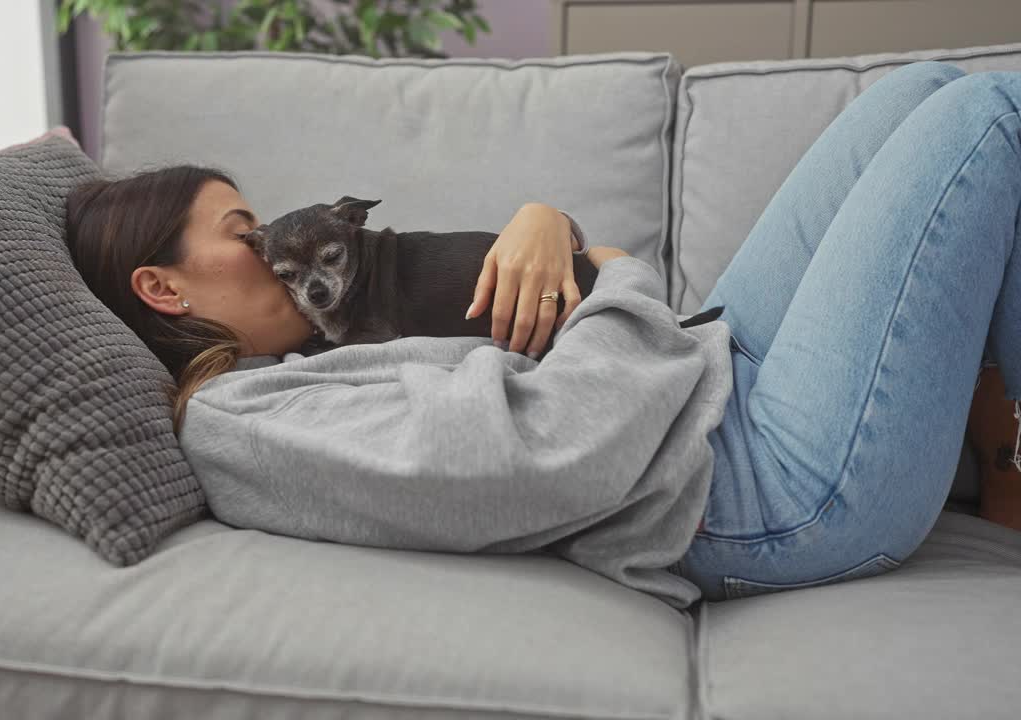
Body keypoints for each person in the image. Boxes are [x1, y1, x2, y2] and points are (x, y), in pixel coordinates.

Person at [66, 61, 1021, 607]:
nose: (272, 247)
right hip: (761, 490)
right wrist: (612, 267)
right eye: (243, 237)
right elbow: (556, 449)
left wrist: (550, 227)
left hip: (711, 379)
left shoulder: (310, 358)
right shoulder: (243, 424)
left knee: (923, 89)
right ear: (161, 289)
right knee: (990, 120)